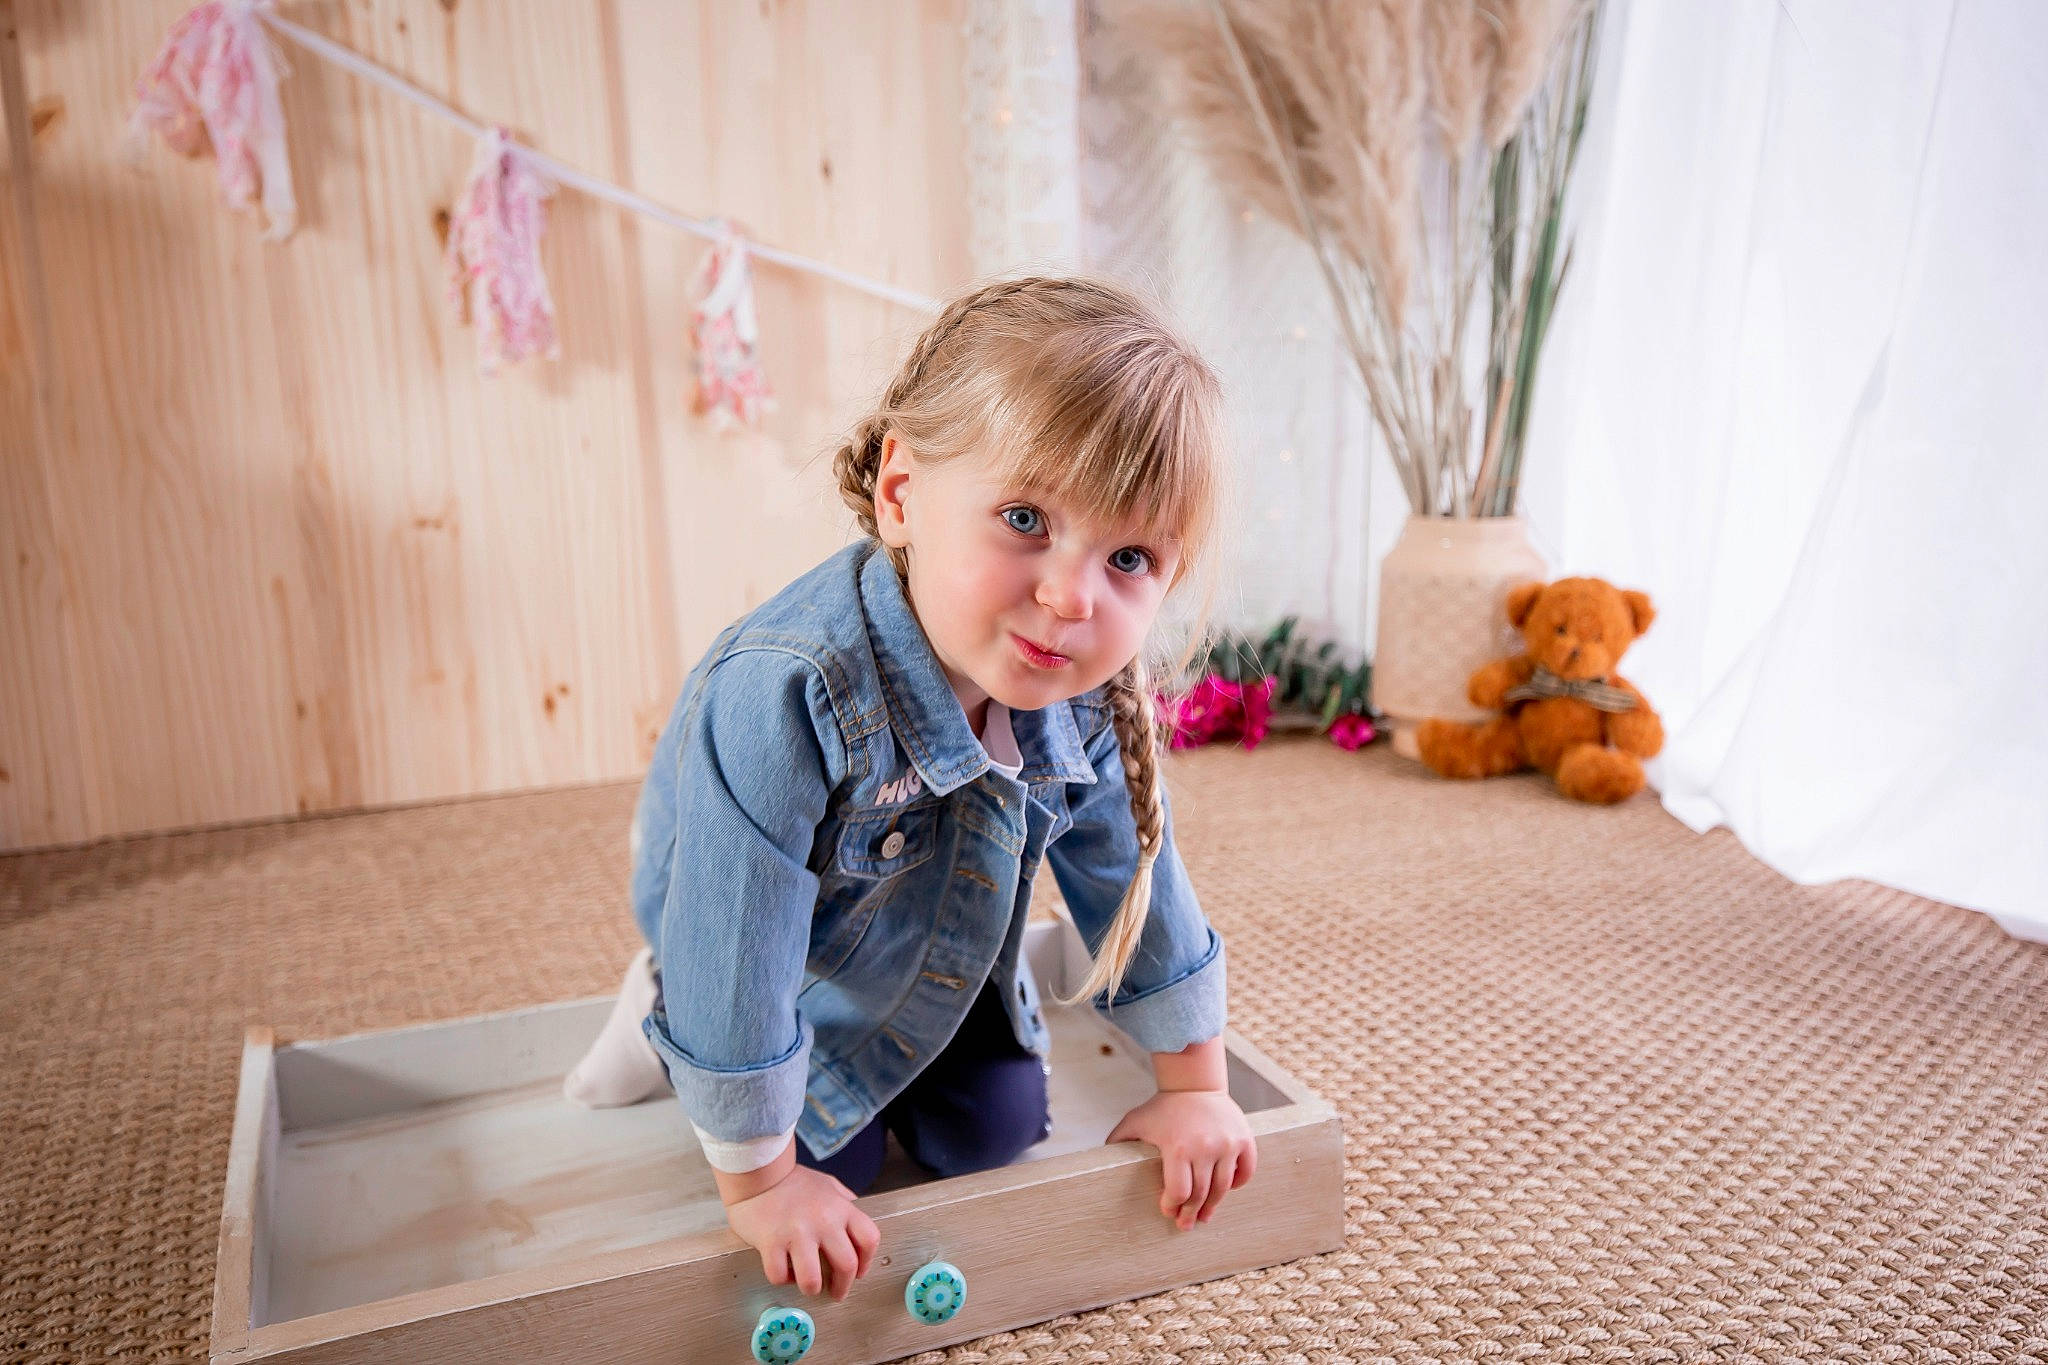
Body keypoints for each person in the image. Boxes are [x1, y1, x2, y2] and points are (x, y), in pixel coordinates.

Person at [563, 275, 1254, 1302]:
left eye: (1127, 557)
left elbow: (1131, 874)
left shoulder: (1081, 693)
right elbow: (738, 935)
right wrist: (759, 1189)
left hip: (941, 944)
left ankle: (911, 1063)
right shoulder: (785, 692)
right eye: (1024, 517)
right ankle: (656, 1012)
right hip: (776, 965)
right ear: (902, 495)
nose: (1070, 597)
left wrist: (1194, 1088)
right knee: (822, 1177)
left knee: (995, 1133)